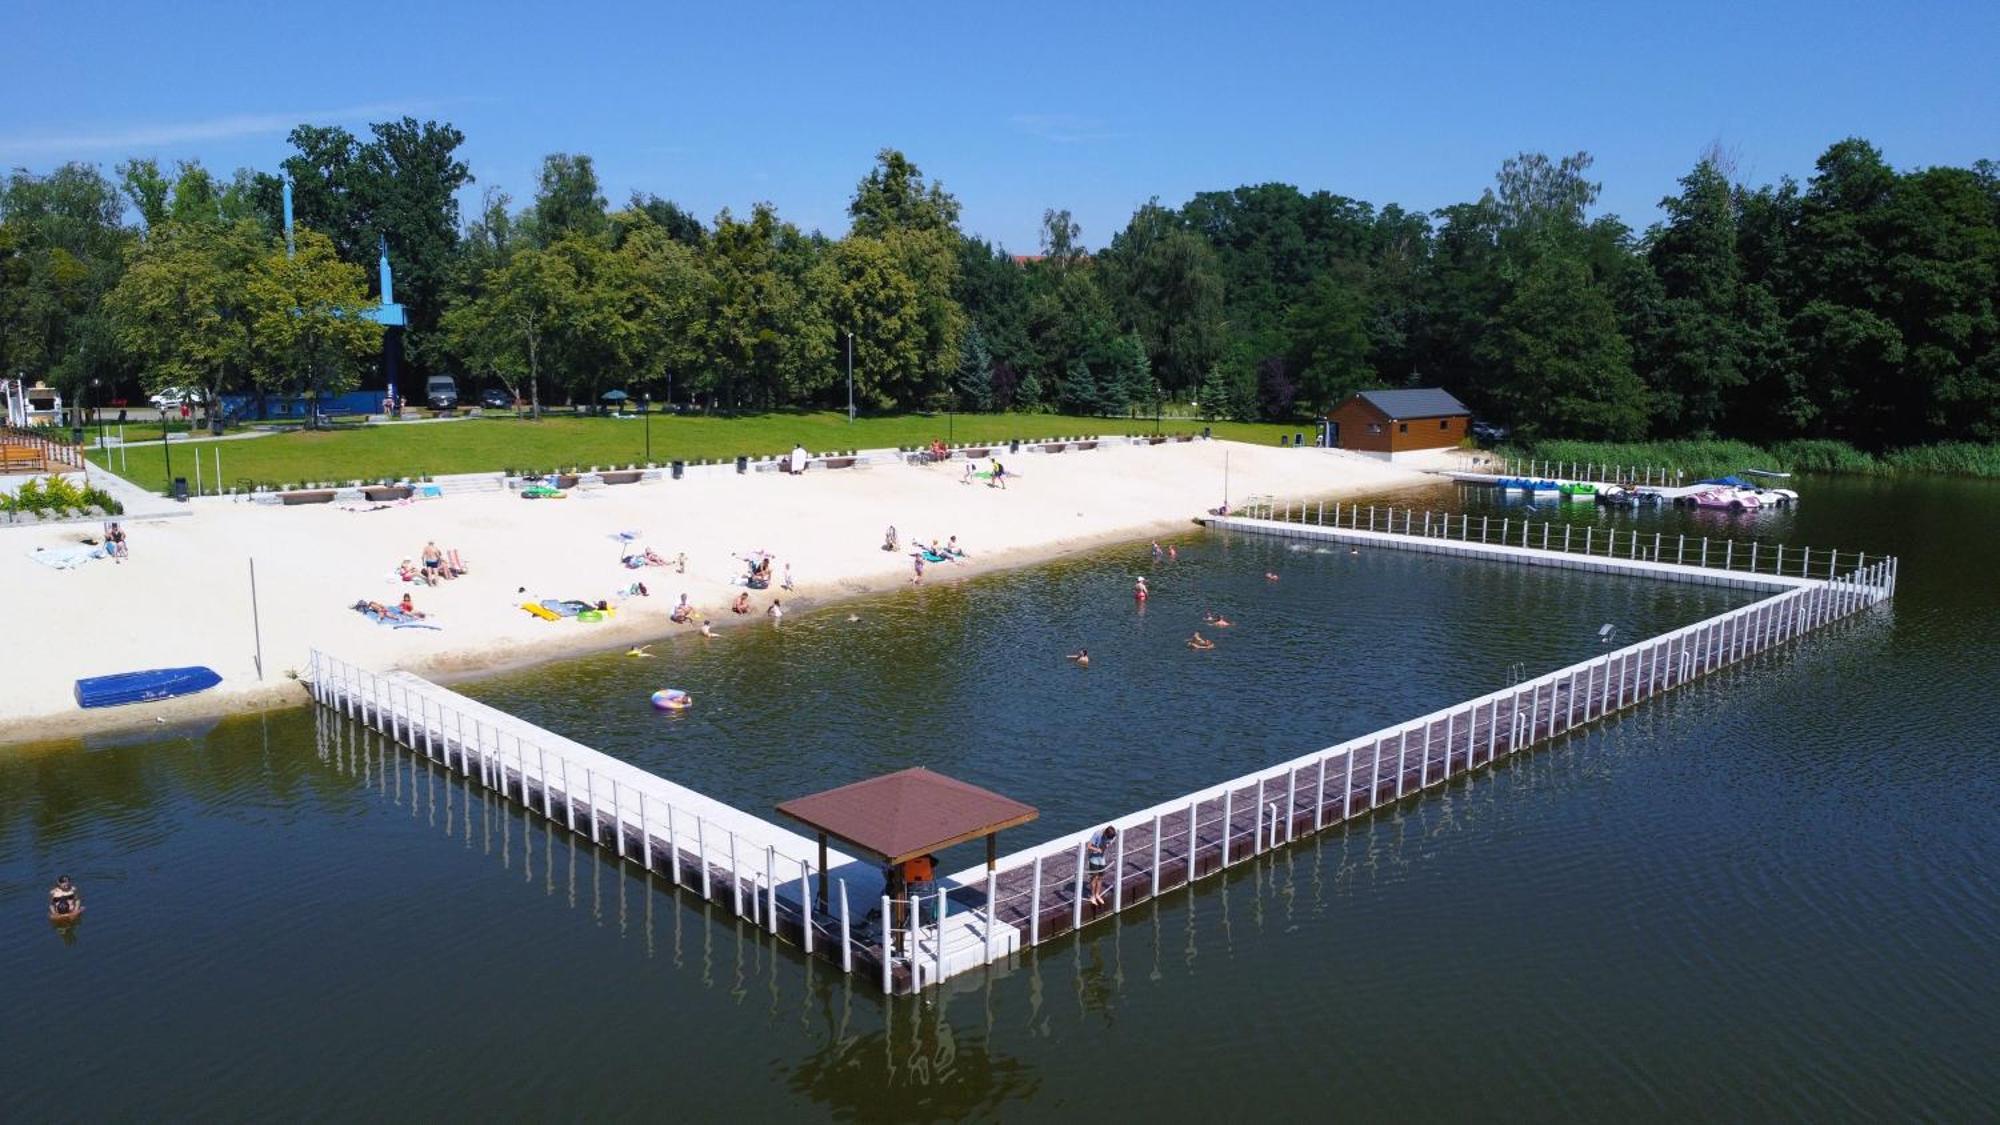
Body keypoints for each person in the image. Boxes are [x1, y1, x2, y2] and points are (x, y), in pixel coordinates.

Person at [1086, 826, 1116, 906]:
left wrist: (1107, 845)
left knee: (1100, 877)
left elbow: (1110, 841)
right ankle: (1092, 896)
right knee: (1094, 877)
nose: (1109, 840)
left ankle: (1097, 894)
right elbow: (1088, 846)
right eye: (1108, 838)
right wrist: (1097, 849)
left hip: (1101, 858)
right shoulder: (1097, 834)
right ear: (1105, 834)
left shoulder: (1111, 836)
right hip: (1093, 858)